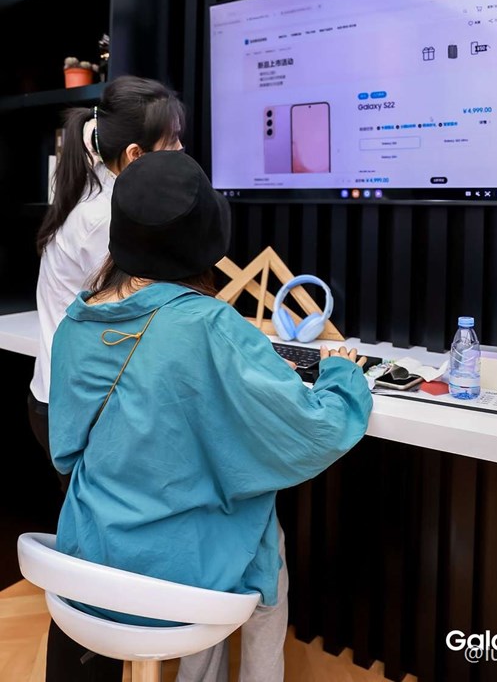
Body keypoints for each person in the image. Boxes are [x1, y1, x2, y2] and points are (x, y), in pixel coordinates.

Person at [47, 150, 373, 682]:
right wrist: (343, 375)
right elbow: (314, 431)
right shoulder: (212, 325)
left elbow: (65, 452)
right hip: (179, 584)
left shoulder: (75, 324)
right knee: (259, 533)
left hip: (89, 567)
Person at [28, 74, 186, 486]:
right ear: (135, 154)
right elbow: (137, 313)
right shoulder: (107, 217)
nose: (181, 150)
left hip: (65, 397)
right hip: (79, 407)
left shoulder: (99, 189)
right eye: (172, 140)